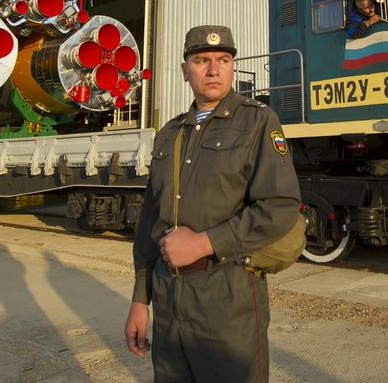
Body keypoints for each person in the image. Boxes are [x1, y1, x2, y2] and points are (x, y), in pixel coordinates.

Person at [125, 25, 300, 382]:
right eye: (201, 60)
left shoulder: (258, 121)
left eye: (223, 60)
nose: (213, 69)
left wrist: (203, 243)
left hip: (227, 295)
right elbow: (149, 224)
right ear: (185, 69)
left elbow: (280, 206)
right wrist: (140, 301)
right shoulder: (169, 135)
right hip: (169, 297)